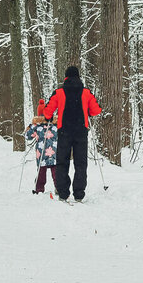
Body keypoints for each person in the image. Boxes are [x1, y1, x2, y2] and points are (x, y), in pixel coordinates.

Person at [41, 66, 102, 202]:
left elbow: (47, 111)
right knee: (81, 163)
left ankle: (63, 193)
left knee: (62, 161)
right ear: (78, 77)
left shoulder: (59, 92)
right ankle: (79, 193)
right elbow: (96, 110)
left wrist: (49, 117)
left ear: (66, 77)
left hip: (64, 131)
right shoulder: (86, 92)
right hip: (81, 131)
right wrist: (88, 112)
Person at [24, 101, 58, 195]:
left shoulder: (39, 127)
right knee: (52, 173)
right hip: (51, 154)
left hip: (45, 154)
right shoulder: (54, 125)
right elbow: (28, 136)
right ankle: (56, 188)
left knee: (44, 174)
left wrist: (30, 127)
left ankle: (40, 189)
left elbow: (27, 136)